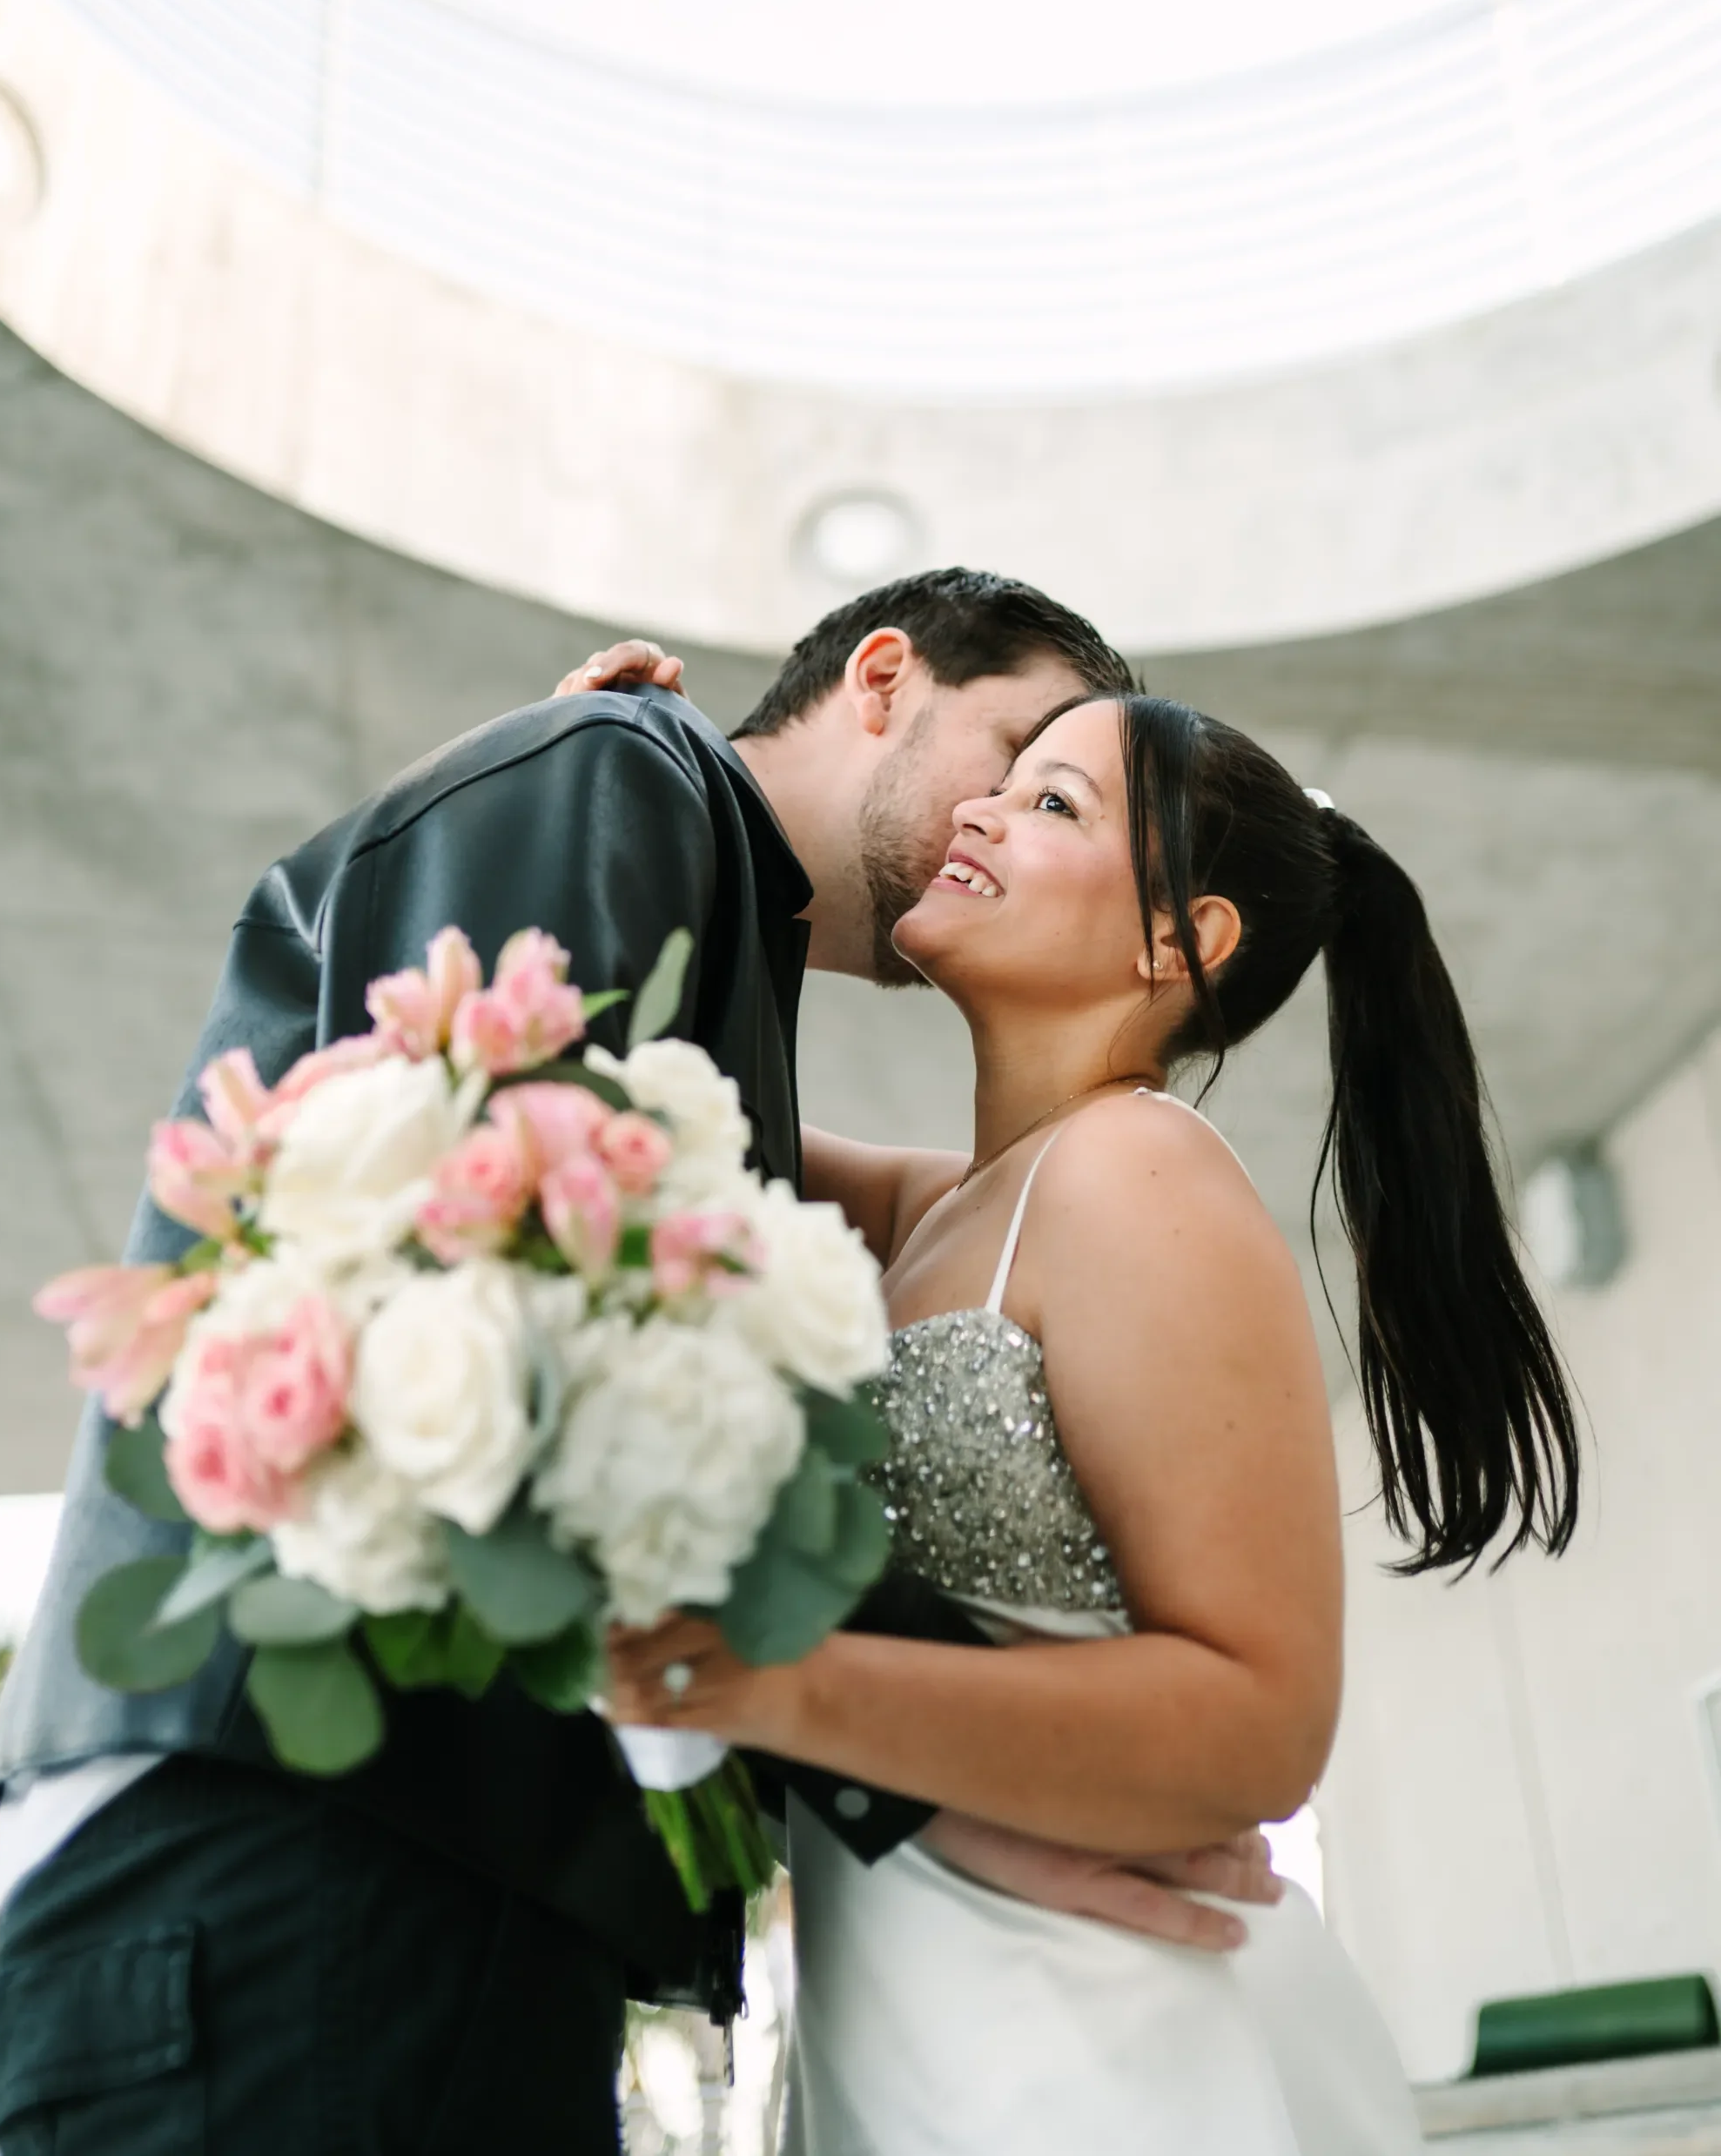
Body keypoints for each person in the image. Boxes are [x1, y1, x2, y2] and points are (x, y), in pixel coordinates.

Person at [0, 573, 1270, 2156]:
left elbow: (910, 1231)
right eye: (1008, 752)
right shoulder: (618, 779)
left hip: (387, 1864)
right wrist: (943, 1798)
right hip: (304, 1844)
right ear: (883, 676)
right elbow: (542, 1280)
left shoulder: (671, 874)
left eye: (1053, 794)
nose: (999, 817)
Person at [608, 688, 1583, 2153]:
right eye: (1002, 782)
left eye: (1052, 801)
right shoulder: (923, 1209)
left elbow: (1259, 1723)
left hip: (1112, 2048)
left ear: (1176, 941)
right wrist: (632, 776)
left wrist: (774, 1686)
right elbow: (604, 1127)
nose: (978, 809)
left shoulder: (1137, 1171)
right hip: (920, 2021)